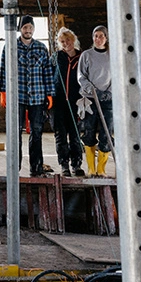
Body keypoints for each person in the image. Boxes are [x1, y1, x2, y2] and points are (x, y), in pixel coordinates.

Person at [0, 15, 54, 177]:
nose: (27, 30)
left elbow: (48, 72)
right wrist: (3, 91)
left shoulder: (41, 48)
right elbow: (4, 70)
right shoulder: (10, 46)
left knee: (36, 132)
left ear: (34, 29)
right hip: (18, 96)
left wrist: (50, 94)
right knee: (15, 132)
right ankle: (14, 168)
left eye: (30, 27)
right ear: (19, 29)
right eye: (25, 27)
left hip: (38, 96)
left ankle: (36, 167)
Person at [78, 25, 113, 177]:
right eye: (96, 36)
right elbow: (81, 76)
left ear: (106, 38)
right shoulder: (86, 55)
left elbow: (118, 74)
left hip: (108, 99)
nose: (98, 39)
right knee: (89, 131)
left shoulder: (112, 55)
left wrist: (109, 92)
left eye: (101, 36)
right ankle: (91, 168)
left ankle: (101, 169)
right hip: (90, 99)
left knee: (107, 133)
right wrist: (93, 90)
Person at [54, 27, 85, 177]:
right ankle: (64, 165)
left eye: (68, 40)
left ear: (73, 40)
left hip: (76, 101)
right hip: (58, 101)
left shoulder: (82, 58)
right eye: (63, 42)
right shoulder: (57, 57)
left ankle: (77, 164)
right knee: (60, 134)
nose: (66, 44)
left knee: (75, 134)